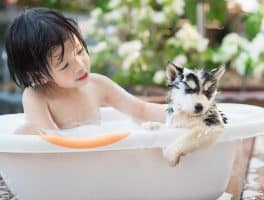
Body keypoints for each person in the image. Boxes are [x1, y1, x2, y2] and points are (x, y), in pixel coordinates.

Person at [5, 7, 166, 134]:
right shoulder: (37, 97)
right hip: (62, 165)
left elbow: (142, 110)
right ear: (39, 76)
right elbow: (51, 142)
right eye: (65, 65)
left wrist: (181, 113)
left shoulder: (98, 85)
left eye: (80, 51)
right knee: (28, 131)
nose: (80, 66)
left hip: (92, 157)